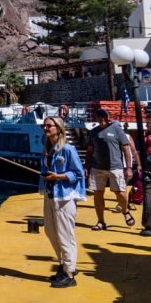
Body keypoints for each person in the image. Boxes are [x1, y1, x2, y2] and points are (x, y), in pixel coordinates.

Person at [40, 116, 86, 288]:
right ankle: (64, 265)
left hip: (64, 197)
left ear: (58, 128)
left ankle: (69, 273)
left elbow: (78, 173)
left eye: (49, 125)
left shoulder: (67, 149)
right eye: (44, 125)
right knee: (50, 232)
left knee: (65, 235)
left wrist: (58, 176)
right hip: (50, 195)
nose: (45, 128)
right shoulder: (47, 149)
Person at [86, 108, 135, 230]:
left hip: (115, 167)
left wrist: (129, 168)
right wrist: (86, 167)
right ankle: (101, 221)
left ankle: (125, 210)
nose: (102, 119)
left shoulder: (117, 130)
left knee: (119, 193)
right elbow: (89, 151)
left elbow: (126, 149)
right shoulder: (93, 132)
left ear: (108, 117)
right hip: (97, 167)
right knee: (98, 194)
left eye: (104, 116)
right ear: (96, 118)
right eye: (99, 116)